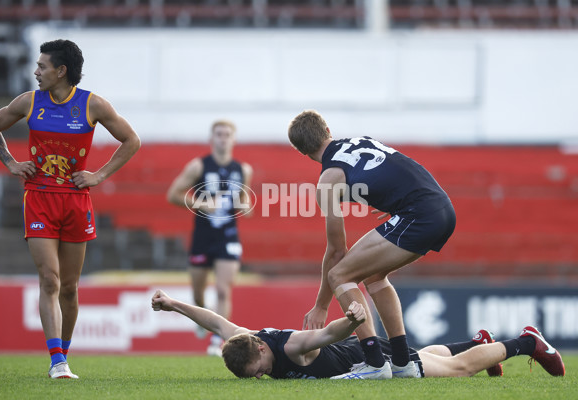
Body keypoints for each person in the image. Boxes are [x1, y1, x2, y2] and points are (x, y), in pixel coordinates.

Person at [0, 39, 141, 379]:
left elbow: (131, 140)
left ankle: (64, 355)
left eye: (42, 67)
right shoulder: (29, 102)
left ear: (61, 71)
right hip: (39, 197)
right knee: (50, 280)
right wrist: (11, 163)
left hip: (75, 200)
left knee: (69, 288)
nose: (36, 72)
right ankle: (57, 361)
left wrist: (98, 175)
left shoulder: (92, 105)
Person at [287, 110, 457, 379]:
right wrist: (394, 202)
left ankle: (375, 363)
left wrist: (321, 305)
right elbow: (399, 170)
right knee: (374, 276)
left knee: (339, 273)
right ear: (328, 130)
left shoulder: (329, 179)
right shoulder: (361, 141)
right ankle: (403, 363)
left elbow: (337, 251)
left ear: (300, 151)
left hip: (419, 214)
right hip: (440, 206)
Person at [150, 289, 565, 379]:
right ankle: (479, 343)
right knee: (427, 354)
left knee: (454, 371)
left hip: (369, 358)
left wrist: (350, 319)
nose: (262, 374)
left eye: (261, 367)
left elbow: (326, 334)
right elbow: (214, 321)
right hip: (364, 352)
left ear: (261, 347)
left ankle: (526, 342)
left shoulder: (291, 346)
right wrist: (173, 305)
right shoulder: (245, 339)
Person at [166, 120, 253, 356]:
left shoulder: (243, 170)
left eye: (227, 134)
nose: (223, 138)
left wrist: (245, 206)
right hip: (203, 237)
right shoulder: (198, 166)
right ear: (212, 138)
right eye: (219, 134)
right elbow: (173, 194)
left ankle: (218, 339)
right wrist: (201, 203)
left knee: (224, 290)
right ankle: (202, 317)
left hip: (228, 236)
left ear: (233, 139)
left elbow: (244, 200)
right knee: (198, 294)